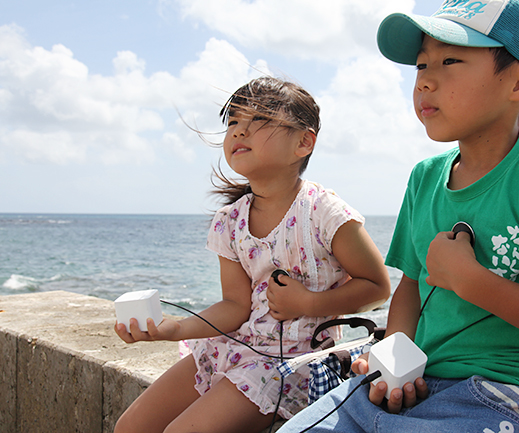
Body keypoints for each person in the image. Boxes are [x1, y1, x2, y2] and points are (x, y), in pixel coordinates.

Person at [277, 1, 519, 432]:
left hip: (509, 392)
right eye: (421, 66)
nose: (425, 82)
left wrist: (471, 281)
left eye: (450, 60)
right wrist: (394, 362)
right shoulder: (425, 178)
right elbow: (410, 287)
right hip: (418, 383)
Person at [113, 77, 391, 433]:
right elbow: (234, 306)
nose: (238, 133)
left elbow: (377, 286)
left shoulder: (323, 213)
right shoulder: (230, 221)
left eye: (257, 121)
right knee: (130, 427)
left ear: (303, 142)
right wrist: (175, 328)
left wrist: (307, 303)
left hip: (290, 362)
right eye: (232, 124)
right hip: (231, 346)